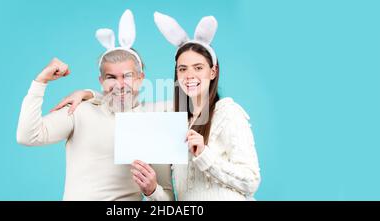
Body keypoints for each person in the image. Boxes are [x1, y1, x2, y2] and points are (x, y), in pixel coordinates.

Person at [55, 11, 261, 200]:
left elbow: (251, 181)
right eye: (182, 69)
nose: (190, 75)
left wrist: (204, 154)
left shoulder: (227, 112)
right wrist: (90, 94)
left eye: (198, 68)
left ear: (213, 72)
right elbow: (125, 99)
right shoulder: (175, 117)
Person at [16, 10, 173, 201]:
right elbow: (27, 136)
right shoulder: (81, 110)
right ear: (101, 80)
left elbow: (168, 202)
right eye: (111, 78)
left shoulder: (155, 122)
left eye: (128, 76)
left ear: (141, 79)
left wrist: (151, 190)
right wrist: (41, 81)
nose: (120, 84)